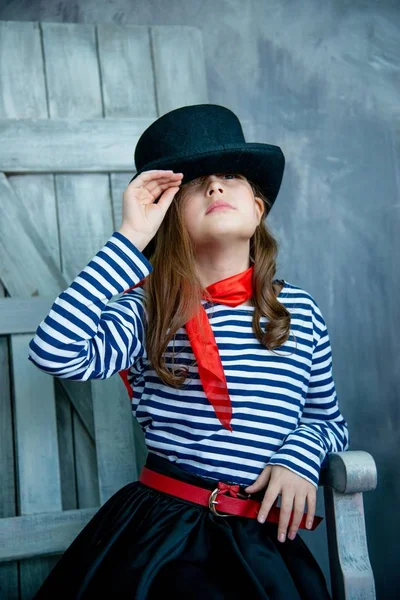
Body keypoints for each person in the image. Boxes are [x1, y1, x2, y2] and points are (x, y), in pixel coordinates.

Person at [28, 104, 349, 599]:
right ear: (166, 214)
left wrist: (298, 458)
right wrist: (132, 236)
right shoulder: (148, 309)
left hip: (263, 541)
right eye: (195, 184)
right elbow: (54, 350)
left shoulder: (299, 311)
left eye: (229, 176)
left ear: (258, 207)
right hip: (165, 538)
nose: (215, 187)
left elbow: (328, 421)